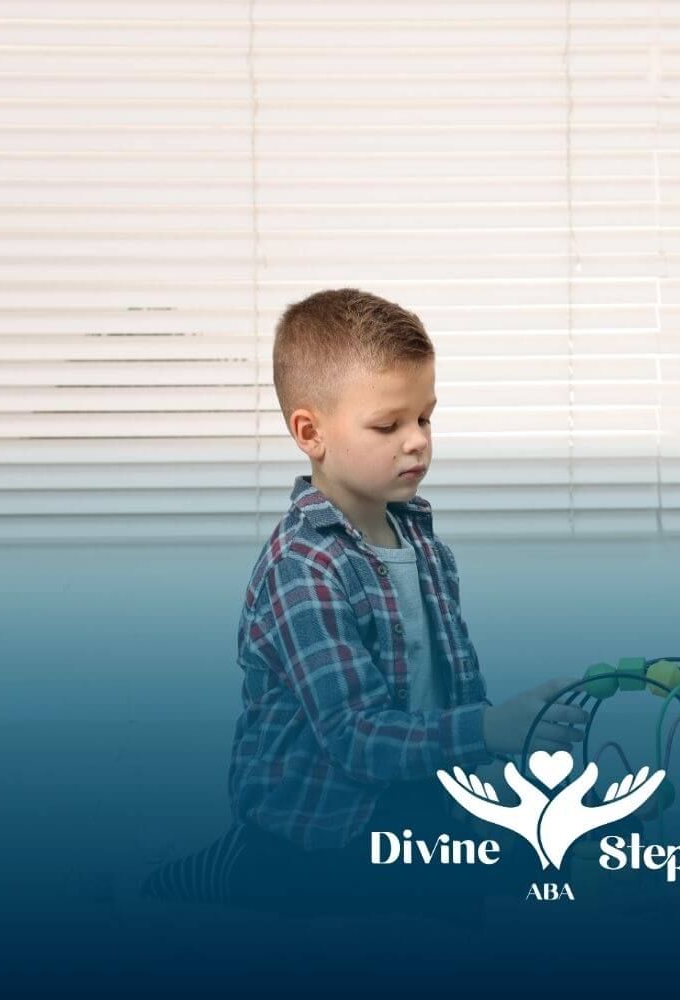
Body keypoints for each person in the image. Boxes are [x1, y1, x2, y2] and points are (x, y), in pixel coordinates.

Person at [143, 288, 586, 918]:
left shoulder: (423, 544)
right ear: (309, 433)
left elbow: (450, 695)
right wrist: (489, 729)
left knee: (530, 867)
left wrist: (516, 730)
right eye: (388, 425)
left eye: (425, 418)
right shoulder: (303, 568)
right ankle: (224, 865)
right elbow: (355, 737)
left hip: (413, 806)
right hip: (321, 827)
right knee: (373, 897)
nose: (417, 443)